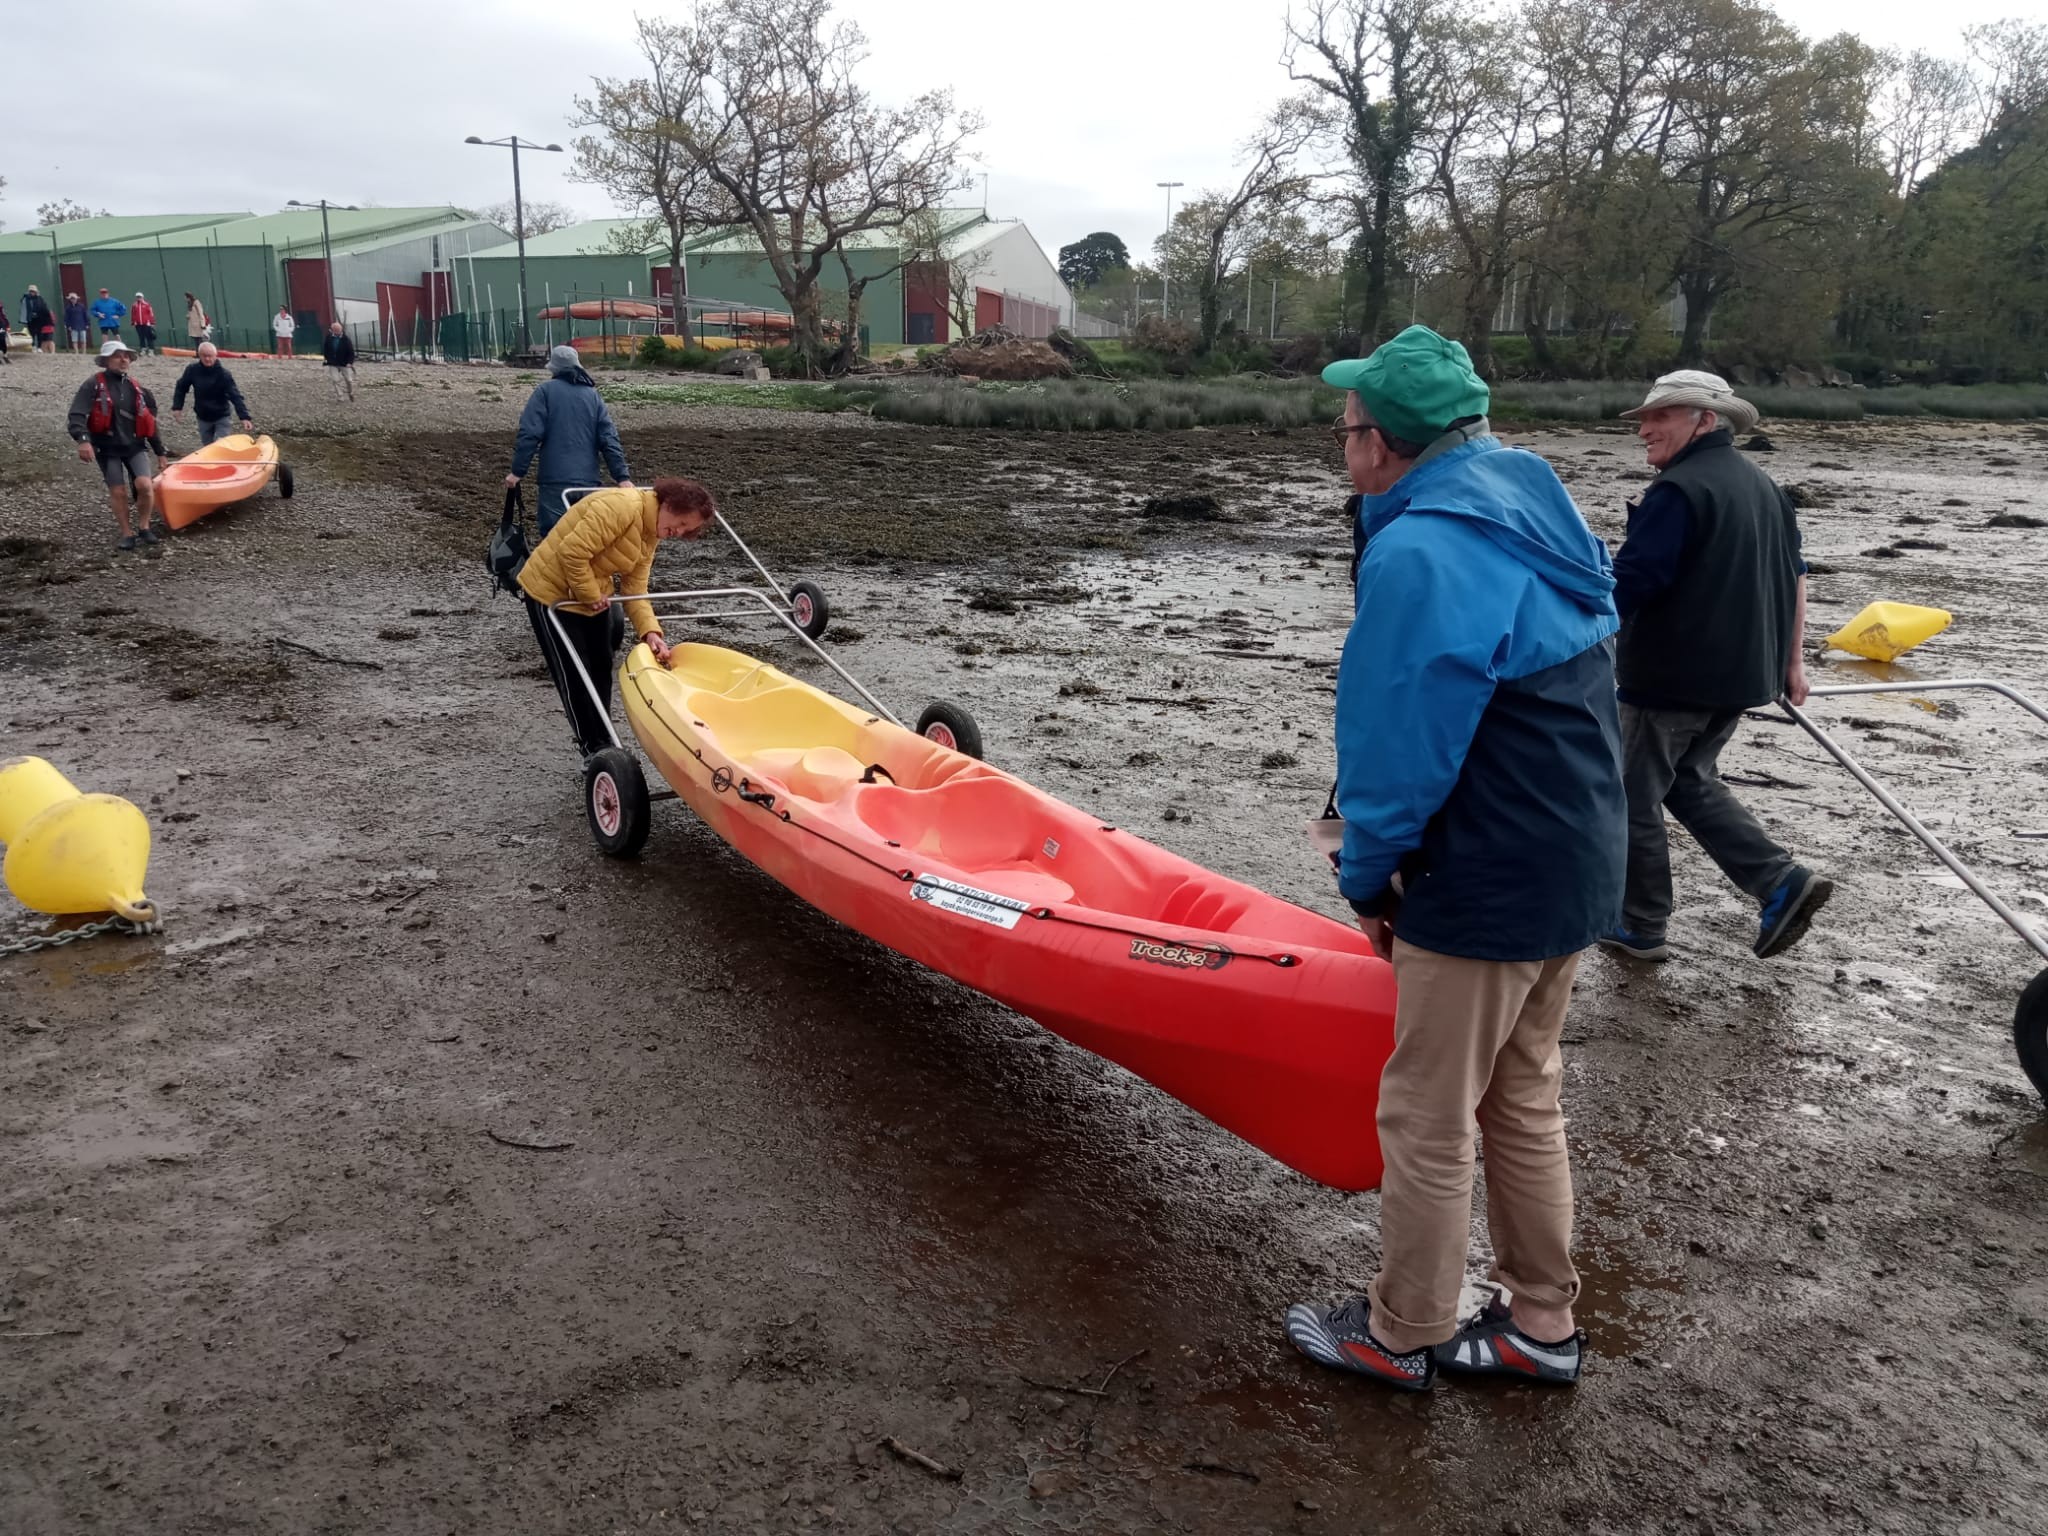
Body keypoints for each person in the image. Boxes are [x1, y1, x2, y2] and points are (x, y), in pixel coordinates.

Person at [1284, 326, 1625, 1394]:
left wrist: (1367, 873)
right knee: (1521, 1094)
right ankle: (1538, 1324)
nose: (1341, 444)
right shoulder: (1533, 504)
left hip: (1483, 866)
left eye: (1346, 428)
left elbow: (1398, 741)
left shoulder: (1422, 550)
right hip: (1574, 854)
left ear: (1382, 444)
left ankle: (1398, 1334)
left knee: (1425, 1115)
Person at [1599, 371, 1830, 964]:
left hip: (1671, 679)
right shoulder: (1764, 485)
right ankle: (1780, 881)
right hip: (1741, 676)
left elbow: (1631, 585)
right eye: (1645, 418)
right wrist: (1791, 662)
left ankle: (1639, 923)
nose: (1645, 429)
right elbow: (1796, 574)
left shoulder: (1677, 491)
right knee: (1688, 781)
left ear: (1707, 420)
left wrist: (1570, 639)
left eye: (1662, 417)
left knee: (1631, 795)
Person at [516, 478, 716, 757]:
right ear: (669, 504)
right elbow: (571, 553)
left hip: (592, 596)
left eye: (686, 530)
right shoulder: (621, 507)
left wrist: (651, 633)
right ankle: (593, 750)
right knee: (575, 674)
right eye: (681, 522)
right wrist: (589, 593)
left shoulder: (652, 532)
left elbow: (635, 588)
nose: (678, 531)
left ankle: (603, 737)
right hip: (550, 594)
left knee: (601, 667)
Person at [506, 345, 634, 536]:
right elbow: (609, 439)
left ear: (554, 368)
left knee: (554, 538)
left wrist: (517, 472)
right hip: (588, 483)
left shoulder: (545, 392)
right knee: (585, 539)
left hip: (555, 481)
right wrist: (622, 477)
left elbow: (529, 434)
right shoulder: (592, 396)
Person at [66, 339, 171, 551]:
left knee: (145, 486)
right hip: (107, 447)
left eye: (126, 356)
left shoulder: (139, 389)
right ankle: (127, 533)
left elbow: (150, 423)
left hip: (134, 445)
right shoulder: (92, 384)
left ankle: (144, 526)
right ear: (106, 360)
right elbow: (77, 415)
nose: (123, 359)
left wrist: (160, 452)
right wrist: (83, 440)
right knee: (118, 491)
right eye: (117, 355)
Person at [172, 342, 255, 446]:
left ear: (215, 356)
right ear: (199, 356)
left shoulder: (224, 374)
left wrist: (244, 417)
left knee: (220, 445)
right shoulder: (192, 370)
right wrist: (177, 407)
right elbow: (181, 387)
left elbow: (235, 396)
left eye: (210, 356)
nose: (207, 359)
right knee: (207, 446)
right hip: (203, 416)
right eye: (204, 356)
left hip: (222, 415)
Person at [322, 322, 356, 400]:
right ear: (332, 330)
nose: (338, 332)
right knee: (335, 380)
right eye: (336, 330)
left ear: (341, 330)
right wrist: (327, 358)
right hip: (332, 362)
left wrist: (350, 363)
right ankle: (340, 396)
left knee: (349, 380)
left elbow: (351, 352)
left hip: (344, 362)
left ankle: (350, 392)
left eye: (339, 330)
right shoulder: (329, 337)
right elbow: (325, 348)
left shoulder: (346, 339)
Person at [21, 285, 56, 353]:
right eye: (31, 291)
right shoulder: (26, 299)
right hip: (30, 319)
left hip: (39, 319)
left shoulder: (40, 299)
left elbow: (44, 308)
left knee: (39, 333)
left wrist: (49, 319)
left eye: (33, 291)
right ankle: (33, 346)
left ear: (36, 292)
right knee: (32, 333)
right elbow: (23, 309)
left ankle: (39, 347)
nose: (32, 293)